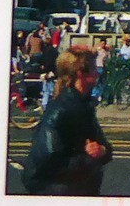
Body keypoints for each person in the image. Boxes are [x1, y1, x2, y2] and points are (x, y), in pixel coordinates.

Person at [22, 50, 112, 196]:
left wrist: (101, 150)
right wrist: (89, 158)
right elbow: (49, 159)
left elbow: (105, 146)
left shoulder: (84, 105)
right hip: (57, 191)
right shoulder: (60, 109)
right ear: (80, 73)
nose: (97, 73)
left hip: (77, 188)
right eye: (94, 69)